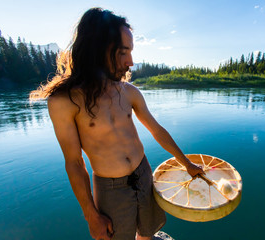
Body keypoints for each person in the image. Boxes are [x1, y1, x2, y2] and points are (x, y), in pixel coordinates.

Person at [29, 7, 204, 240]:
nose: (131, 62)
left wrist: (187, 163)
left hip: (144, 173)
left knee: (147, 233)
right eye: (123, 52)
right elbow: (74, 163)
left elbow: (157, 131)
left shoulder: (129, 91)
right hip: (110, 188)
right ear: (97, 48)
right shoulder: (65, 101)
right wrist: (91, 215)